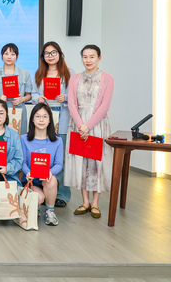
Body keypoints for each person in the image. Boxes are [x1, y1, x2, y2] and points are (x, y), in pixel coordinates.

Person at [65, 45, 114, 219]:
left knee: (96, 163)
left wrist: (88, 126)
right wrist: (81, 125)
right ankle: (85, 202)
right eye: (85, 57)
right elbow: (71, 104)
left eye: (92, 56)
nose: (88, 60)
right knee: (81, 162)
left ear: (99, 58)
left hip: (98, 125)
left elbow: (104, 106)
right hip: (78, 124)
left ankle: (95, 203)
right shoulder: (74, 78)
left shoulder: (108, 78)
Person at [31, 41, 73, 208]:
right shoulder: (39, 74)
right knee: (43, 155)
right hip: (44, 119)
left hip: (62, 118)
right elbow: (33, 94)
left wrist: (66, 97)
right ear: (43, 57)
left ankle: (61, 194)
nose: (50, 56)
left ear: (60, 54)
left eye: (53, 52)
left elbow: (75, 96)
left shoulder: (69, 74)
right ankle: (45, 191)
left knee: (60, 158)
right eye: (47, 53)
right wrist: (38, 98)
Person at [21, 103, 64, 226]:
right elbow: (22, 162)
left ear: (50, 120)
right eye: (38, 116)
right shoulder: (24, 139)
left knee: (51, 180)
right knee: (38, 198)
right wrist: (28, 172)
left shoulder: (57, 141)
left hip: (47, 179)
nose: (41, 120)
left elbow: (59, 164)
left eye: (45, 116)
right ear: (32, 119)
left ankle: (50, 211)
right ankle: (36, 206)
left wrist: (50, 173)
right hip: (30, 180)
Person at [0, 43, 32, 135]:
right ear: (2, 55)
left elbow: (29, 95)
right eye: (6, 54)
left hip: (19, 109)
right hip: (0, 112)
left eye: (12, 54)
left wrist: (22, 99)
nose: (9, 57)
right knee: (1, 136)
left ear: (17, 56)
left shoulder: (25, 74)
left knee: (19, 136)